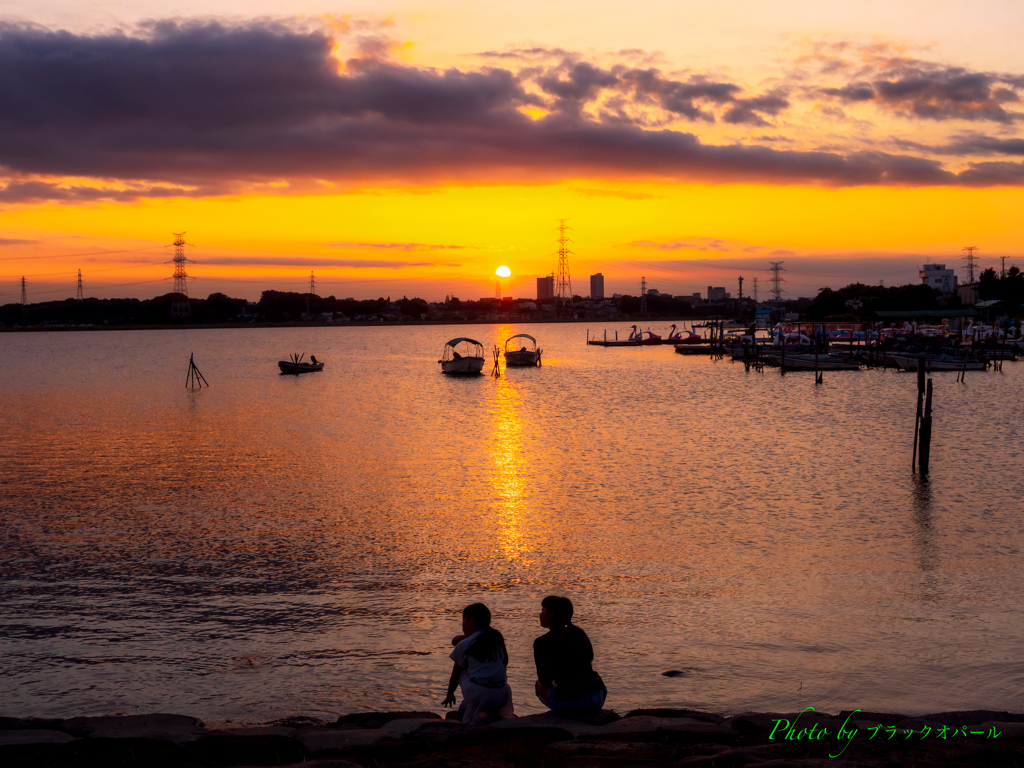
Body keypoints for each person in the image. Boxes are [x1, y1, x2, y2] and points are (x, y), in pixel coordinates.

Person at [533, 596, 607, 719]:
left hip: (575, 703)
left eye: (542, 610)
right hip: (597, 696)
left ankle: (569, 713)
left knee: (539, 685)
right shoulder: (579, 634)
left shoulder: (541, 642)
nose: (540, 614)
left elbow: (544, 679)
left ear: (551, 615)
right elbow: (589, 660)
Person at [442, 603, 514, 724]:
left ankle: (466, 708)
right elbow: (505, 662)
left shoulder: (465, 644)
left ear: (472, 620)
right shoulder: (497, 638)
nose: (462, 624)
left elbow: (455, 676)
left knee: (462, 669)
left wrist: (450, 694)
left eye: (464, 619)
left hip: (479, 696)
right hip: (502, 695)